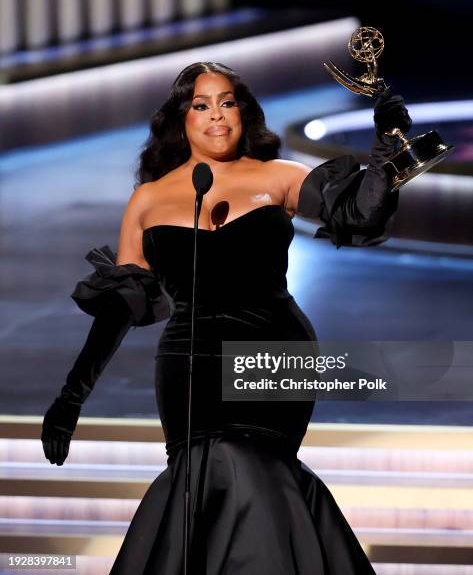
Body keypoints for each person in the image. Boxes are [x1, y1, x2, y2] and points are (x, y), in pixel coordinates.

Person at [41, 61, 411, 574]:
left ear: (244, 112)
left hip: (274, 349)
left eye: (227, 102)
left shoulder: (278, 176)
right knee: (207, 473)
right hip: (189, 361)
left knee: (251, 465)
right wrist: (70, 397)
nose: (216, 116)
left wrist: (387, 144)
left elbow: (360, 215)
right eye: (201, 105)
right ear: (182, 118)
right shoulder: (148, 200)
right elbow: (120, 307)